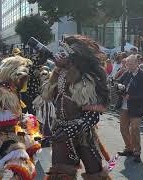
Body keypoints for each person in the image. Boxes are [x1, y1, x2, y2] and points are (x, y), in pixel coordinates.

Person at [42, 35, 112, 179]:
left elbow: (96, 111)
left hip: (83, 134)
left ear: (74, 57)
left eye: (65, 53)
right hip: (61, 131)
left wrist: (77, 127)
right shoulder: (59, 74)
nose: (60, 55)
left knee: (95, 173)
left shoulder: (86, 78)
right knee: (60, 174)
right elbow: (46, 95)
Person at [0, 56, 39, 180]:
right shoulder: (3, 91)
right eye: (23, 79)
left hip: (11, 133)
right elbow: (1, 119)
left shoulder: (10, 88)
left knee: (16, 168)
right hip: (7, 135)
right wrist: (23, 125)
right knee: (21, 168)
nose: (24, 82)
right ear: (15, 75)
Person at [117, 55, 143, 163]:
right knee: (123, 127)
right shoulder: (127, 73)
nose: (128, 66)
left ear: (136, 63)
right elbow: (118, 83)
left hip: (136, 107)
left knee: (135, 128)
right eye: (127, 64)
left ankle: (137, 152)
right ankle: (129, 148)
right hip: (124, 106)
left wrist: (131, 97)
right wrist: (120, 88)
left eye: (130, 64)